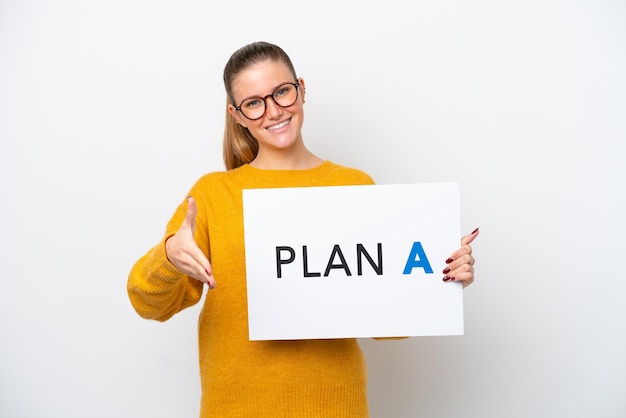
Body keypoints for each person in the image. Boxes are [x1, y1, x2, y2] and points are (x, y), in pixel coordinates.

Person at [127, 41, 479, 418]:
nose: (273, 111)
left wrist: (439, 276)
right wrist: (168, 257)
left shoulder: (353, 187)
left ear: (301, 89)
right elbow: (148, 304)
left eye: (281, 92)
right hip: (235, 409)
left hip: (336, 407)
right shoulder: (213, 195)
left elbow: (388, 326)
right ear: (237, 115)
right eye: (254, 102)